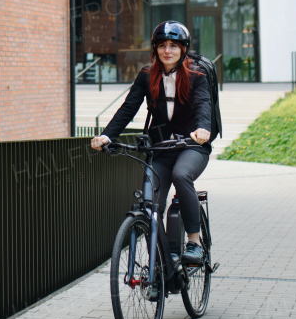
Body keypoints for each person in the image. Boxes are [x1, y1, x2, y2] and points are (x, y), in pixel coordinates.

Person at [91, 21, 212, 265]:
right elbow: (128, 109)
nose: (167, 50)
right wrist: (107, 135)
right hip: (160, 147)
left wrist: (203, 129)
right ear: (155, 49)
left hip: (191, 146)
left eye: (173, 46)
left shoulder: (197, 76)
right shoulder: (147, 76)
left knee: (181, 175)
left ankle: (194, 242)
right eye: (162, 45)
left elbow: (203, 106)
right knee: (151, 204)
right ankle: (158, 267)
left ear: (183, 49)